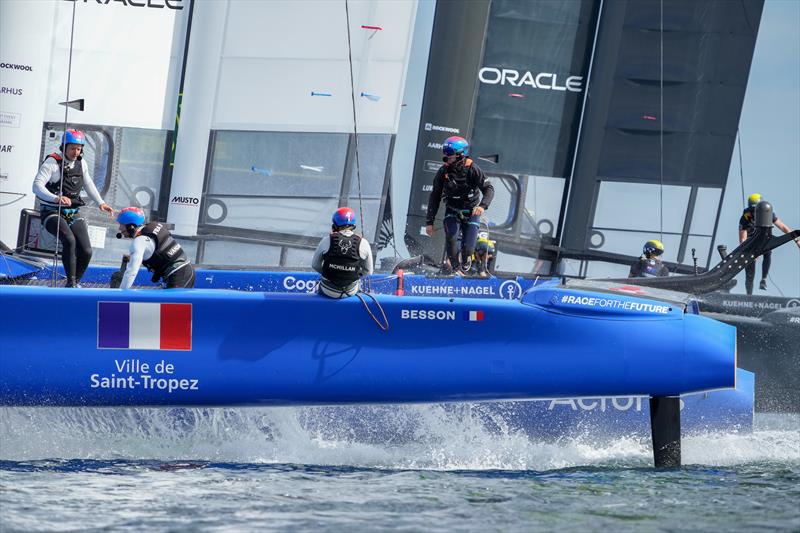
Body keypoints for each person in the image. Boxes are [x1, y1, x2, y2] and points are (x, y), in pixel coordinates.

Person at [32, 129, 114, 287]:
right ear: (64, 146)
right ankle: (71, 282)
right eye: (72, 148)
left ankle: (74, 284)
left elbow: (88, 183)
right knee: (69, 241)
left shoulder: (81, 163)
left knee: (87, 251)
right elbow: (36, 186)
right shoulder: (52, 163)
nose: (76, 152)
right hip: (51, 213)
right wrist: (55, 198)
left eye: (79, 148)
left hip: (72, 213)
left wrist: (101, 203)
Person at [425, 136, 494, 275]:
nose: (447, 159)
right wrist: (429, 222)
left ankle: (466, 259)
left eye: (450, 156)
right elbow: (435, 197)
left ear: (460, 154)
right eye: (446, 156)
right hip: (452, 210)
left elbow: (489, 189)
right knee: (451, 238)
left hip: (472, 212)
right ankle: (455, 269)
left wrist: (482, 206)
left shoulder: (473, 168)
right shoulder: (442, 172)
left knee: (468, 248)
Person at [114, 207, 195, 289]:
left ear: (131, 226)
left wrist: (119, 295)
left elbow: (131, 272)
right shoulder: (151, 229)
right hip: (185, 270)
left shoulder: (139, 242)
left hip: (178, 275)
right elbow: (156, 251)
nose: (119, 228)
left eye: (121, 225)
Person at [738, 193, 800, 294]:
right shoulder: (746, 216)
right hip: (751, 241)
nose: (755, 212)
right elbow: (742, 239)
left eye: (757, 209)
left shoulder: (768, 213)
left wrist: (797, 241)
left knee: (768, 252)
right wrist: (749, 253)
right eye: (753, 209)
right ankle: (748, 295)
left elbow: (783, 227)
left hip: (764, 239)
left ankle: (763, 280)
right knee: (750, 268)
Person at [312, 207, 373, 298]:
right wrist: (353, 274)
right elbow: (368, 272)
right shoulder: (363, 242)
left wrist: (329, 273)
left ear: (334, 226)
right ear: (353, 226)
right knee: (357, 286)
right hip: (350, 291)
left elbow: (315, 265)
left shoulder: (326, 240)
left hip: (328, 290)